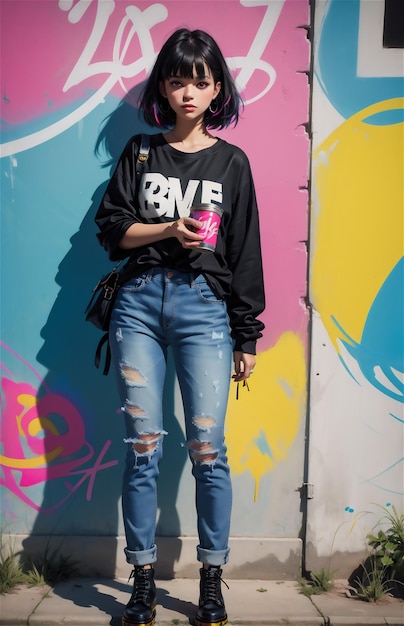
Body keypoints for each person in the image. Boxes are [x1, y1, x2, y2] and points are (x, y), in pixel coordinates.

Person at [95, 28, 265, 626]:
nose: (188, 91)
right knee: (143, 447)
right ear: (162, 87)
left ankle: (211, 579)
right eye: (177, 79)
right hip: (139, 304)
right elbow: (112, 231)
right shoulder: (142, 152)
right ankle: (141, 579)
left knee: (207, 448)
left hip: (204, 309)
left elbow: (244, 252)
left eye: (200, 79)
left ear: (217, 87)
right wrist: (168, 229)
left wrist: (247, 334)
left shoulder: (231, 162)